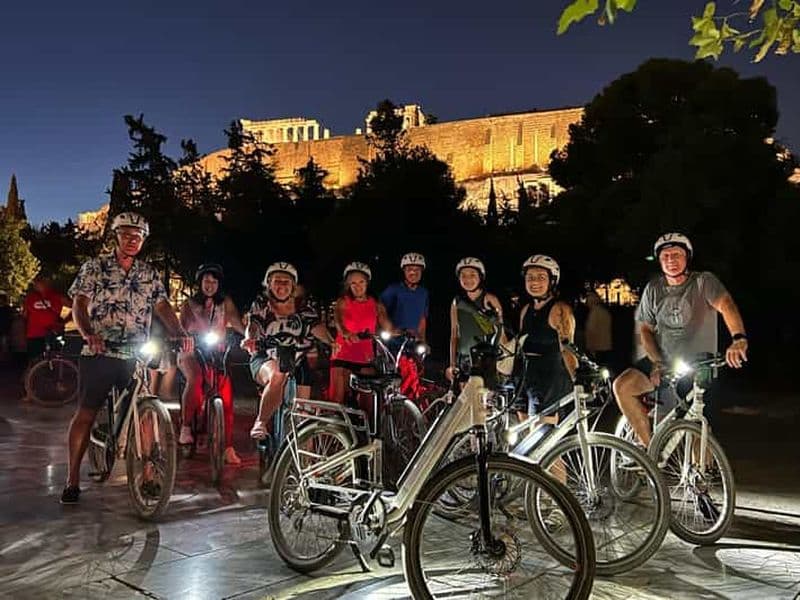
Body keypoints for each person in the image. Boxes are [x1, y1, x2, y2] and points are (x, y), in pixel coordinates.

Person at [61, 212, 192, 505]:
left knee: (145, 412)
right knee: (87, 412)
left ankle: (148, 476)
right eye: (127, 234)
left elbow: (163, 307)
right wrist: (88, 334)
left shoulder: (149, 274)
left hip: (136, 353)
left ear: (144, 241)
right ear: (116, 236)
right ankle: (72, 478)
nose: (133, 240)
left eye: (139, 236)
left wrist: (180, 331)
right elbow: (79, 304)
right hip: (100, 351)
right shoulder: (95, 268)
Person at [613, 233, 748, 447]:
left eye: (676, 255)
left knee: (698, 423)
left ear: (687, 257)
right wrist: (657, 361)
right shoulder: (654, 289)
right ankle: (648, 450)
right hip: (664, 359)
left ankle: (701, 473)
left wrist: (738, 338)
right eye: (665, 256)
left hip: (698, 362)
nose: (671, 260)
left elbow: (726, 305)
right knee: (623, 385)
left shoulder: (704, 281)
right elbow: (646, 331)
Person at [243, 262, 334, 439]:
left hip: (297, 359)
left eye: (286, 282)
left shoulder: (303, 308)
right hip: (266, 357)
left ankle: (303, 460)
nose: (282, 286)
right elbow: (253, 325)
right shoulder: (262, 304)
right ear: (269, 284)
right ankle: (261, 422)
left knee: (303, 414)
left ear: (293, 285)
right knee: (278, 374)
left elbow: (316, 327)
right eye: (277, 281)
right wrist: (250, 339)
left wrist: (333, 343)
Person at [178, 263, 246, 466]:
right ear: (199, 283)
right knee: (196, 378)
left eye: (214, 282)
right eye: (206, 281)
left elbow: (237, 323)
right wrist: (185, 337)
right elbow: (182, 327)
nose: (210, 285)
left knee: (226, 394)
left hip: (216, 351)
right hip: (191, 350)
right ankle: (186, 426)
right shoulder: (189, 304)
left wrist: (249, 337)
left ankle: (227, 447)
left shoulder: (225, 303)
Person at [514, 255, 577, 422]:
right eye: (530, 278)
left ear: (552, 281)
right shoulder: (526, 310)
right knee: (523, 436)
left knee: (542, 437)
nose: (534, 282)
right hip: (525, 377)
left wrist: (577, 380)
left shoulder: (560, 310)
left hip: (549, 379)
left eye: (541, 277)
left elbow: (567, 348)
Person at [330, 262, 394, 405]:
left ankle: (368, 426)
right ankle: (333, 425)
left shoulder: (375, 304)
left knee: (369, 400)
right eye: (353, 283)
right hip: (343, 354)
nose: (358, 287)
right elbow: (338, 321)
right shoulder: (343, 302)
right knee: (338, 399)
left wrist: (399, 333)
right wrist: (346, 333)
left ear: (367, 283)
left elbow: (386, 324)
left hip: (365, 357)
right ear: (348, 286)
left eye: (361, 282)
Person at [380, 252, 430, 398]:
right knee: (397, 377)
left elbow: (422, 318)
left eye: (417, 270)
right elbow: (380, 308)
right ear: (404, 271)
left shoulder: (423, 293)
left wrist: (423, 340)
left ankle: (411, 410)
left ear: (421, 272)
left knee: (415, 377)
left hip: (413, 342)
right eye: (409, 269)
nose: (413, 273)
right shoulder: (394, 289)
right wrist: (390, 328)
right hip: (395, 342)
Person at [447, 257, 504, 382]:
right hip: (464, 358)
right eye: (463, 275)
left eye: (472, 275)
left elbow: (501, 331)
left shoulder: (490, 299)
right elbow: (454, 333)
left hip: (485, 358)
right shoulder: (457, 302)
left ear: (480, 277)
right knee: (464, 398)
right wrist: (452, 364)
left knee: (483, 397)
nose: (468, 279)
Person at [22, 275, 72, 366]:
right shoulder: (30, 298)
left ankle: (53, 376)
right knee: (35, 360)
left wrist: (64, 321)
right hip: (34, 334)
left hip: (53, 332)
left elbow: (73, 308)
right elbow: (25, 315)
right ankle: (34, 377)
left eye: (38, 282)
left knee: (54, 358)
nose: (36, 285)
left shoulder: (57, 297)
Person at [584, 290, 613, 365]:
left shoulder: (594, 314)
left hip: (597, 348)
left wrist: (591, 348)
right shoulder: (605, 312)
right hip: (606, 346)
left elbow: (591, 331)